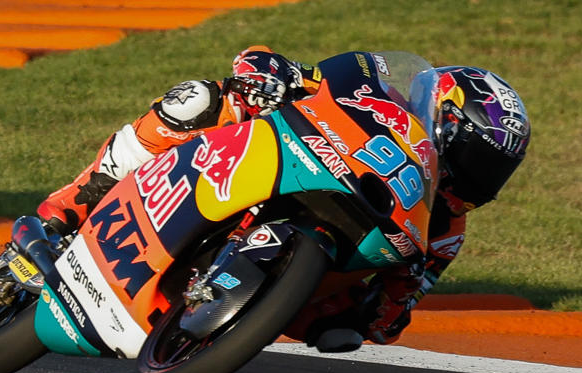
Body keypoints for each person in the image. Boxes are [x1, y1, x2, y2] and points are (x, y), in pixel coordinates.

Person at [36, 49, 530, 352]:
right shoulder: (380, 95)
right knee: (201, 101)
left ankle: (222, 312)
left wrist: (384, 310)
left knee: (341, 329)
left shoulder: (446, 229)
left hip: (314, 263)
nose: (479, 182)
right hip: (280, 158)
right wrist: (273, 76)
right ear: (445, 123)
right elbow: (291, 70)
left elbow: (392, 316)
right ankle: (82, 197)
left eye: (495, 173)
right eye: (476, 160)